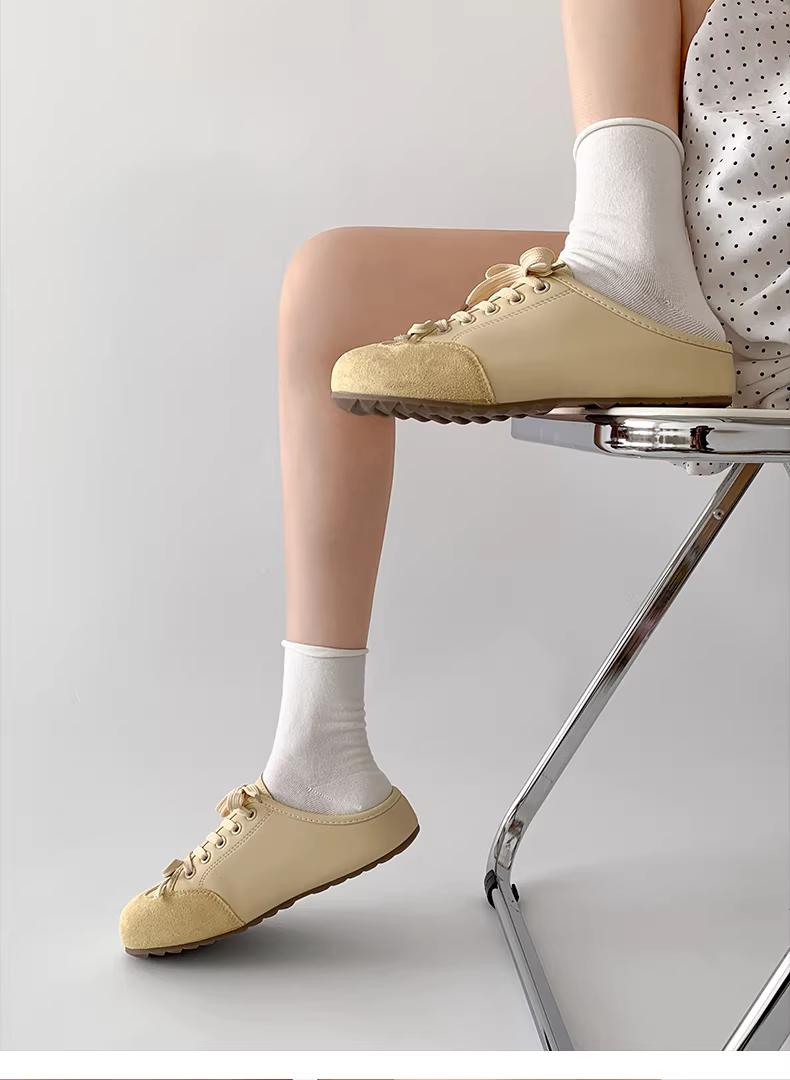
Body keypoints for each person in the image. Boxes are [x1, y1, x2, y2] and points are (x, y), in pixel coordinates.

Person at [120, 0, 789, 956]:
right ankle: (318, 763)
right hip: (714, 264)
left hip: (751, 284)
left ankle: (629, 275)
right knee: (334, 290)